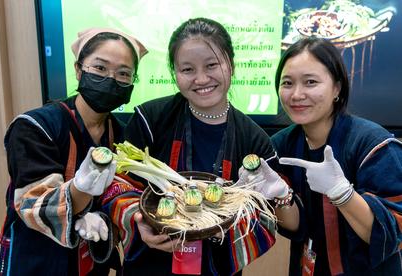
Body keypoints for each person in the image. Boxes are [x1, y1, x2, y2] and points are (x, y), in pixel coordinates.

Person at [101, 18, 279, 275]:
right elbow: (116, 184)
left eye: (212, 65)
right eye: (187, 69)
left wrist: (222, 223)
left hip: (215, 267)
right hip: (149, 264)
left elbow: (265, 219)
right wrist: (137, 221)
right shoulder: (151, 118)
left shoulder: (254, 139)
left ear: (231, 65)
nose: (201, 78)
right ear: (175, 73)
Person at [0, 27, 147, 275]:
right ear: (78, 69)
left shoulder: (122, 135)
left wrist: (108, 216)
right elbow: (31, 201)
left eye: (124, 73)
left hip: (90, 265)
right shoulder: (36, 126)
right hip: (34, 261)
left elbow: (122, 194)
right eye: (100, 68)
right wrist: (79, 191)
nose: (111, 79)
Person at [243, 36, 402, 275]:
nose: (296, 94)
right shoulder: (280, 145)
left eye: (310, 82)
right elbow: (296, 227)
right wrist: (282, 197)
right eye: (287, 83)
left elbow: (393, 231)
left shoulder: (372, 143)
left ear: (337, 88)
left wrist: (341, 193)